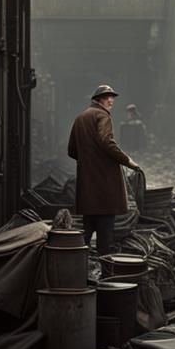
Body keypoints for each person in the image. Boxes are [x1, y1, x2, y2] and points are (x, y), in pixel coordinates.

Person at [67, 84, 140, 255]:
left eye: (112, 97)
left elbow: (71, 150)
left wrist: (89, 162)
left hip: (87, 185)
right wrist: (128, 161)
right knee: (105, 233)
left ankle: (77, 265)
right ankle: (106, 272)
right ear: (98, 100)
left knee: (86, 231)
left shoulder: (80, 118)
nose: (111, 100)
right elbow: (107, 142)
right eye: (107, 97)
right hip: (105, 185)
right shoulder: (102, 116)